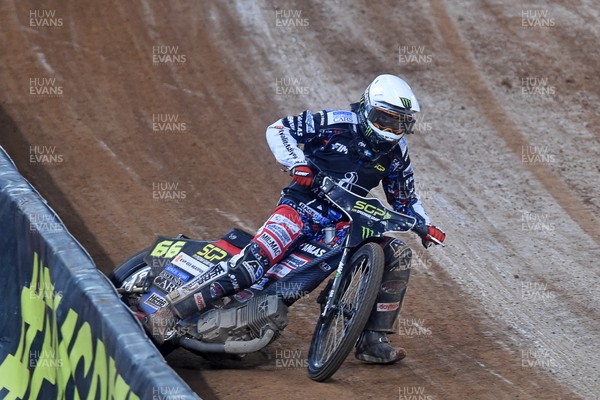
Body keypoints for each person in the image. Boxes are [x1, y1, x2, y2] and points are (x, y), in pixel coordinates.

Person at [145, 74, 446, 364]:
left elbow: (404, 198)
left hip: (342, 225)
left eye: (399, 123)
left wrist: (425, 225)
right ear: (366, 108)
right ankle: (171, 312)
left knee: (394, 253)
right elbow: (279, 129)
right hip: (300, 207)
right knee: (251, 267)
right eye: (385, 119)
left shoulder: (397, 153)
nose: (391, 130)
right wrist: (297, 164)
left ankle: (372, 341)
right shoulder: (336, 123)